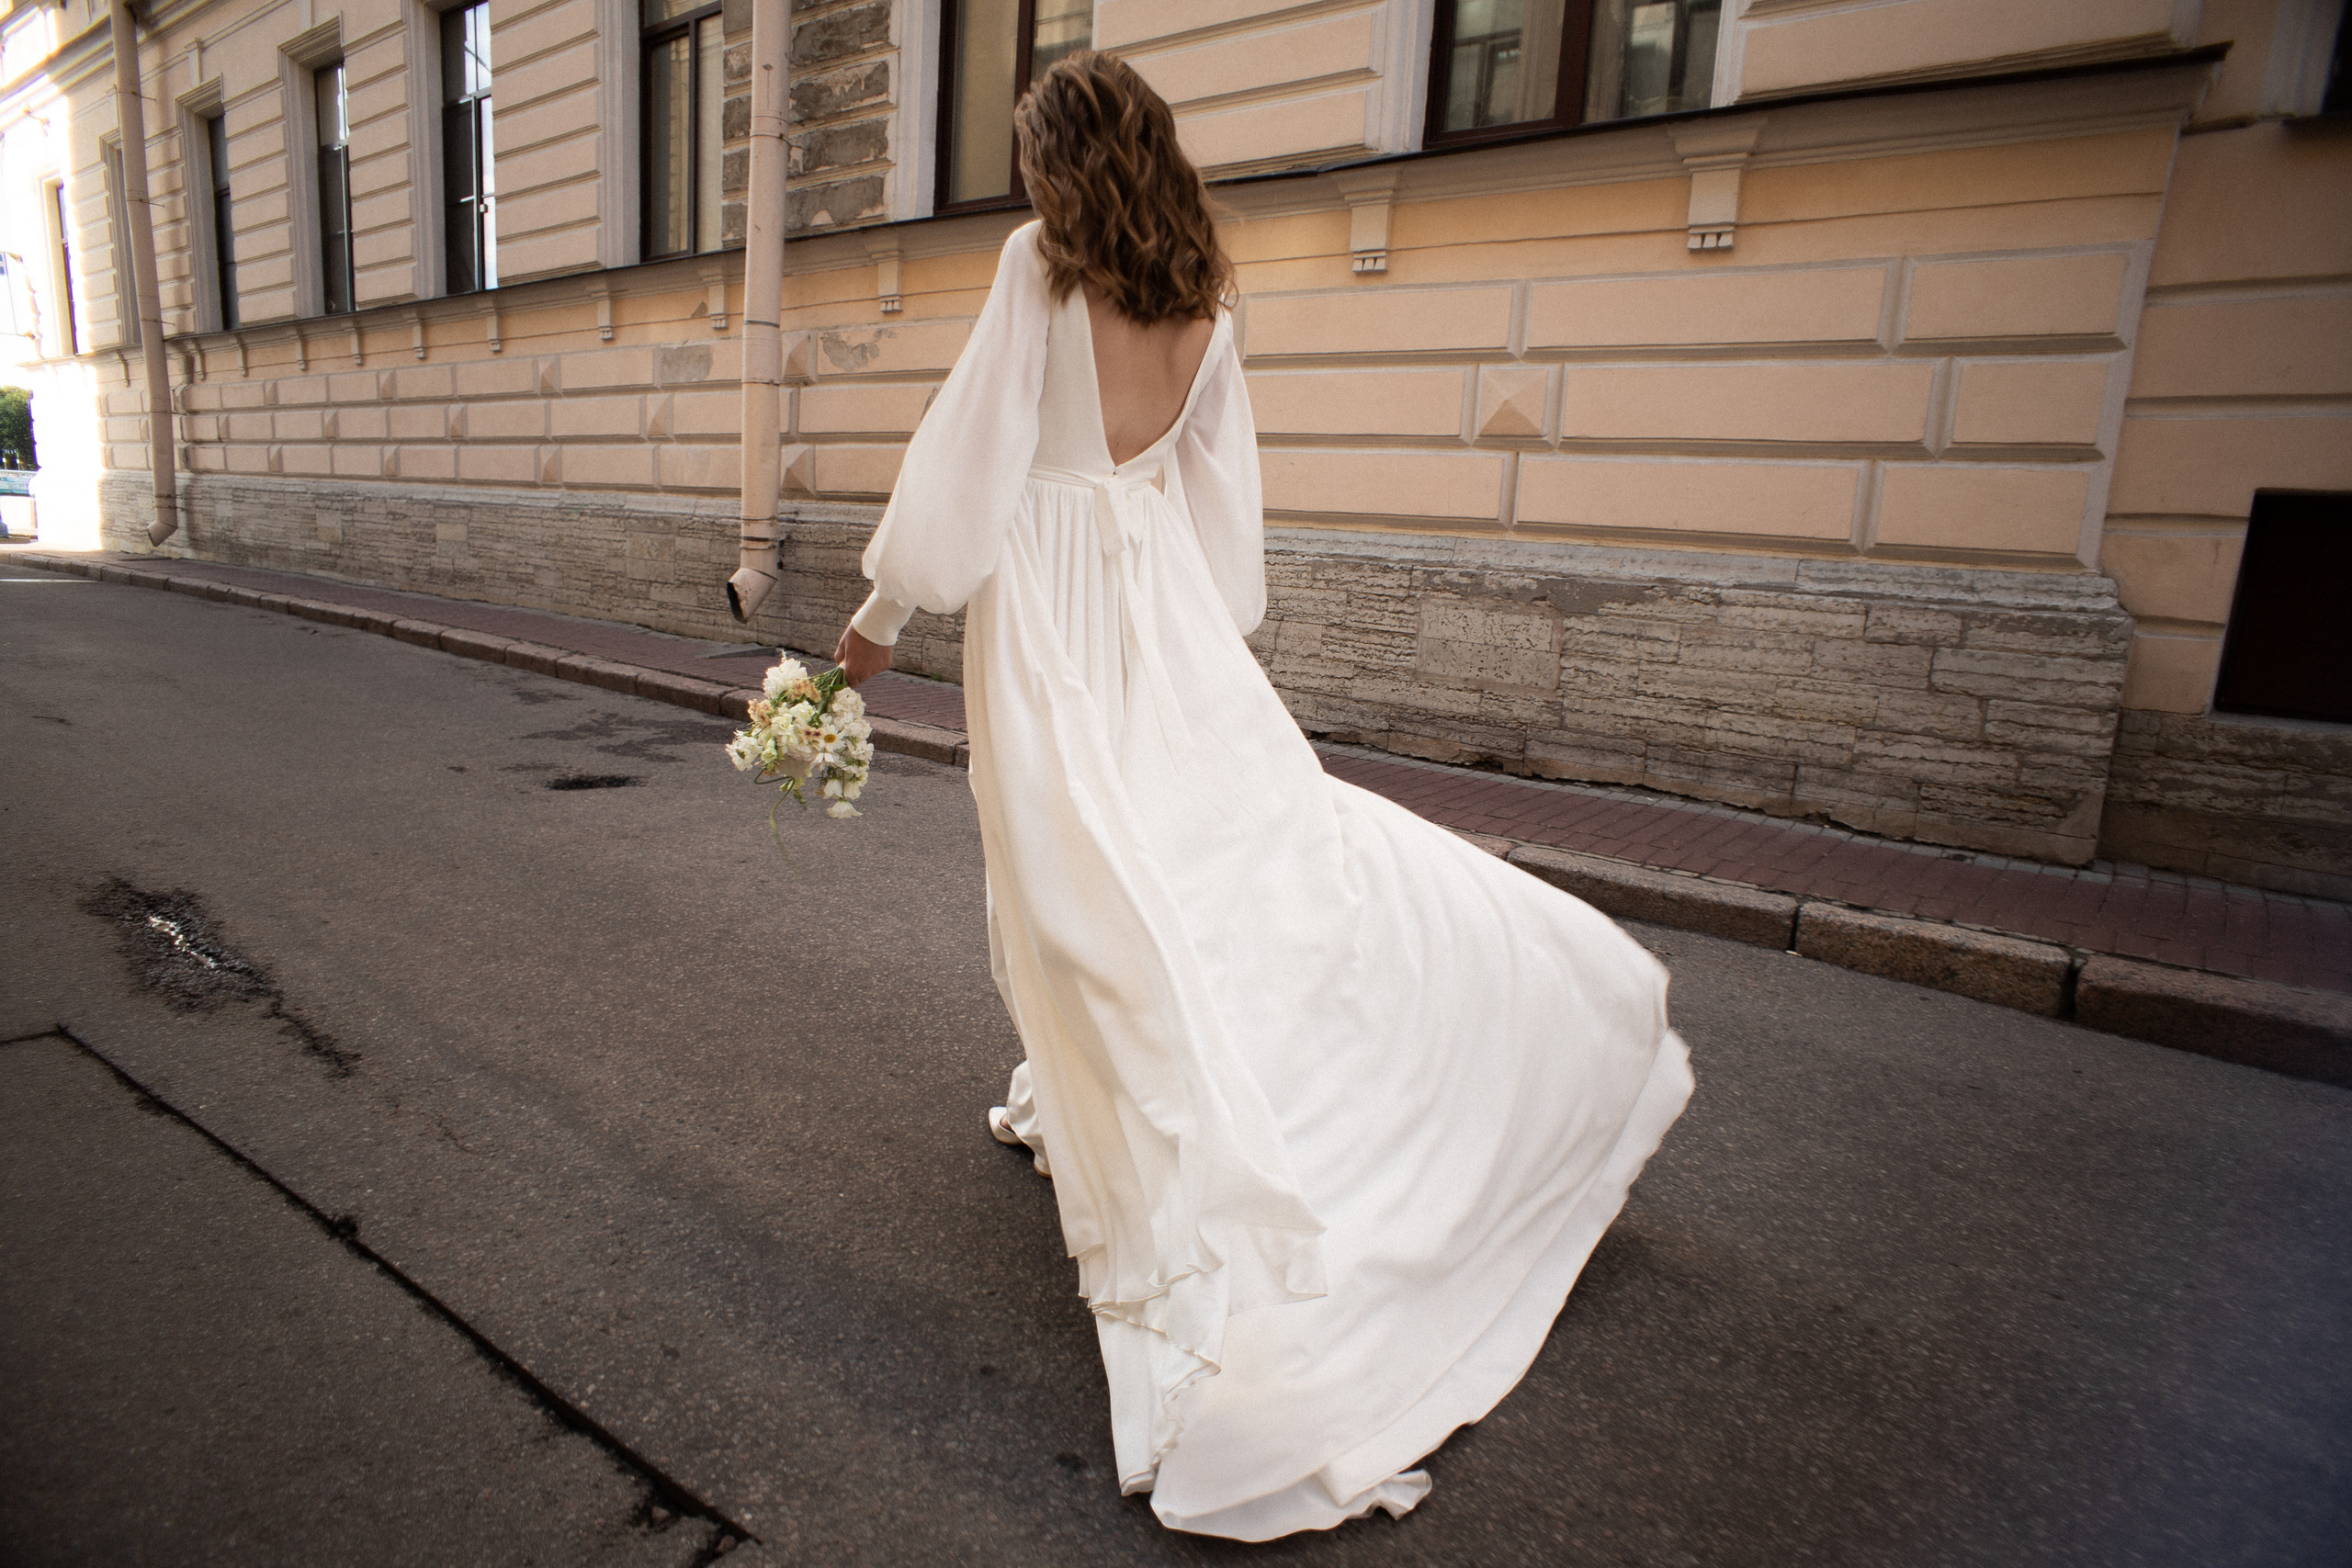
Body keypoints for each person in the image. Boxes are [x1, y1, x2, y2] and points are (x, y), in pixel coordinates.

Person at [831, 50, 1692, 1542]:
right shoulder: (1202, 293)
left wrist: (877, 620)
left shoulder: (1039, 267)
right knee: (1199, 869)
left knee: (1076, 879)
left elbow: (970, 454)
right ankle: (1088, 1090)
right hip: (1158, 604)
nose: (1026, 180)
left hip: (1051, 615)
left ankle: (1183, 1155)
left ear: (1058, 164)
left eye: (1032, 155)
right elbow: (1224, 504)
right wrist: (1204, 635)